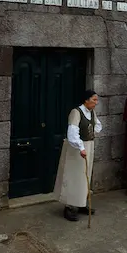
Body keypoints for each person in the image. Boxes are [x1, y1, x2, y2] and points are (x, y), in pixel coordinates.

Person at [54, 89, 103, 222]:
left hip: (88, 145)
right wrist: (81, 147)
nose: (96, 102)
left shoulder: (91, 112)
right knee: (73, 176)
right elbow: (72, 133)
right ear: (86, 100)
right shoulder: (76, 112)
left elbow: (97, 125)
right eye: (94, 99)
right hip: (76, 149)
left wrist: (91, 134)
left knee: (85, 175)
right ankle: (69, 207)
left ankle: (81, 203)